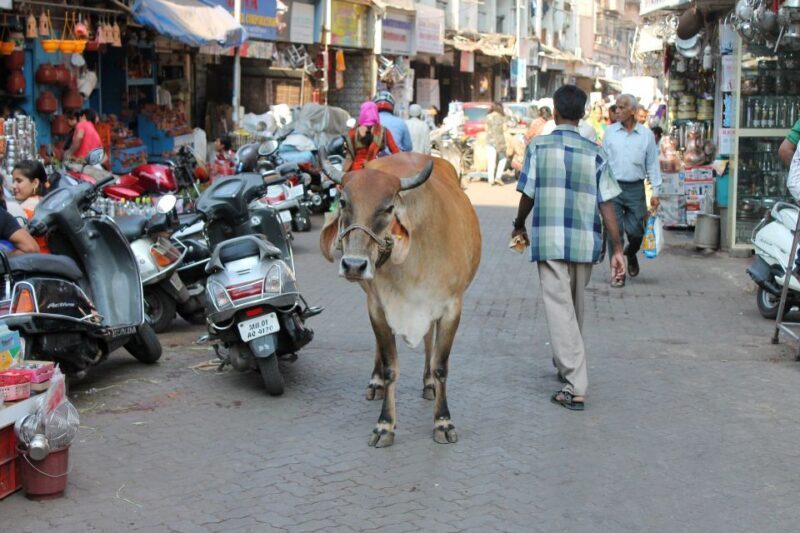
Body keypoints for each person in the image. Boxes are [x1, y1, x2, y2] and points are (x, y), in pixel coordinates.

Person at [511, 84, 624, 411]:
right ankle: (567, 366)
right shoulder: (596, 151)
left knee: (560, 309)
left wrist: (519, 224)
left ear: (556, 113)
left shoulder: (539, 147)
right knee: (572, 307)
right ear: (582, 114)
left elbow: (527, 194)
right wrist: (617, 248)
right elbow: (607, 205)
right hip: (586, 241)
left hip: (549, 239)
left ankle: (576, 385)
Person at [602, 94, 661, 288]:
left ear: (634, 111)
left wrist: (656, 192)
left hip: (636, 188)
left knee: (637, 232)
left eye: (622, 107)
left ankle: (631, 253)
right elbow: (603, 162)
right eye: (616, 107)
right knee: (614, 232)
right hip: (613, 187)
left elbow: (652, 164)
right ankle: (617, 273)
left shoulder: (646, 136)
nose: (617, 110)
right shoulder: (609, 133)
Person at [343, 101, 400, 171]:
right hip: (377, 170)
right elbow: (396, 152)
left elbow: (349, 158)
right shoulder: (384, 131)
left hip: (356, 171)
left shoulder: (352, 132)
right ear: (376, 113)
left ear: (362, 114)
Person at [485, 102, 507, 186]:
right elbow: (505, 129)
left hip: (490, 141)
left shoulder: (488, 117)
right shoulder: (502, 117)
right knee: (503, 159)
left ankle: (491, 180)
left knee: (491, 161)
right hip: (500, 141)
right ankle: (498, 177)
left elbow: (486, 128)